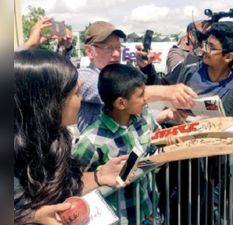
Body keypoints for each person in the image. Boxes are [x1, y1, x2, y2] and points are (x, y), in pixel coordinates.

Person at [14, 50, 133, 225]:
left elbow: (63, 188)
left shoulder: (53, 140)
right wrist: (30, 216)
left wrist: (99, 177)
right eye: (75, 93)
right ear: (50, 104)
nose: (81, 98)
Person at [73, 64, 181, 225]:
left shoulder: (144, 118)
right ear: (121, 103)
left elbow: (155, 144)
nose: (146, 98)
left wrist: (166, 143)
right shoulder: (90, 141)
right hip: (122, 219)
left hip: (150, 210)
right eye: (141, 95)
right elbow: (72, 183)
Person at [78, 21, 198, 133]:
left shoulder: (123, 75)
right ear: (89, 51)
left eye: (118, 47)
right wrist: (167, 91)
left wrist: (168, 114)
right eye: (108, 48)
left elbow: (139, 114)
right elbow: (122, 93)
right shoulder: (83, 77)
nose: (116, 54)